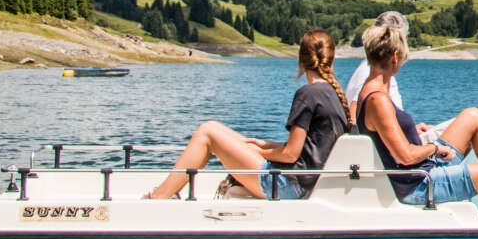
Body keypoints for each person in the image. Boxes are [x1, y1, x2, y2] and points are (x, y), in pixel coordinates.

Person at [145, 29, 348, 200]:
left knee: (207, 132)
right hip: (303, 183)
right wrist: (265, 145)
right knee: (219, 129)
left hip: (289, 185)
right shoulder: (333, 94)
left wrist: (260, 153)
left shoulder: (309, 94)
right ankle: (167, 193)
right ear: (331, 58)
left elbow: (290, 154)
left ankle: (158, 198)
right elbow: (310, 148)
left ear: (301, 60)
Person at [356, 21, 478, 215]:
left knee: (472, 116)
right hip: (419, 185)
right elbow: (405, 156)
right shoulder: (378, 100)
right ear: (395, 57)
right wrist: (435, 148)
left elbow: (388, 138)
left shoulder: (371, 91)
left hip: (422, 171)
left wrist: (412, 132)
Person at [344, 10, 450, 142]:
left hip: (398, 141)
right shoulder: (371, 74)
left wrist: (408, 129)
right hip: (395, 150)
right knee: (468, 121)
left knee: (459, 124)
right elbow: (355, 119)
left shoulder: (375, 70)